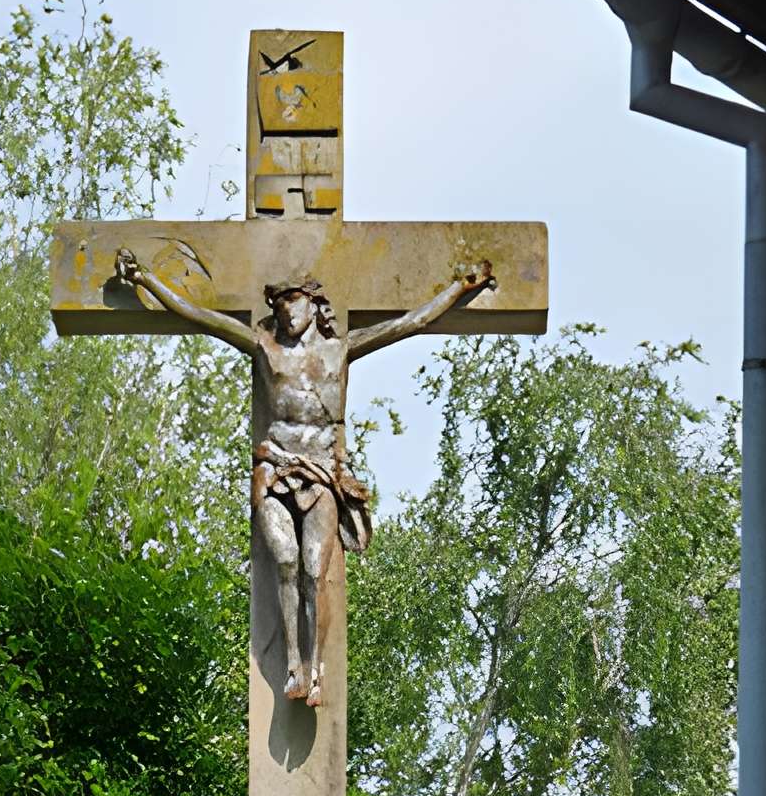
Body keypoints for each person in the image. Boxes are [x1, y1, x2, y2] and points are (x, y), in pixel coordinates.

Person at [113, 247, 493, 704]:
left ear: (313, 302)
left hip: (321, 476)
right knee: (285, 561)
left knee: (315, 571)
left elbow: (410, 323)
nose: (286, 311)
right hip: (274, 470)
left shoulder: (340, 350)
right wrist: (147, 281)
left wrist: (457, 288)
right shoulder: (264, 347)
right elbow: (200, 317)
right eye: (278, 303)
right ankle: (293, 665)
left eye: (294, 300)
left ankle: (315, 672)